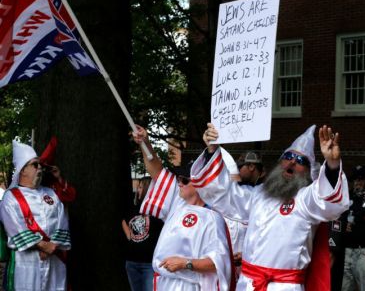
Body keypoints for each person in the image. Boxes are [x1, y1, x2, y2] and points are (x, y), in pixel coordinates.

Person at [191, 123, 349, 290]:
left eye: (300, 160)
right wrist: (211, 151)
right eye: (288, 157)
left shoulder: (306, 199)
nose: (292, 162)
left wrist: (332, 164)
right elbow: (222, 193)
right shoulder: (258, 194)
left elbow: (328, 200)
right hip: (248, 284)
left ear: (309, 172)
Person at [132, 125, 234, 290]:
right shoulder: (177, 203)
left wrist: (185, 263)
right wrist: (145, 143)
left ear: (201, 186)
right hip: (163, 283)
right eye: (179, 178)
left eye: (185, 180)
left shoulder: (212, 218)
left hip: (188, 286)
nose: (179, 182)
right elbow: (157, 172)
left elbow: (218, 263)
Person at [0, 140, 70, 291]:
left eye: (40, 165)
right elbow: (15, 228)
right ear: (22, 170)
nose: (40, 168)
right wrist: (44, 246)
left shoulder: (51, 193)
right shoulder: (10, 197)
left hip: (54, 260)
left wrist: (54, 245)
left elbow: (62, 219)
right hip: (26, 261)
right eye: (35, 165)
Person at [340, 165, 365, 291]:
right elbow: (338, 217)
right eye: (355, 179)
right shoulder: (348, 196)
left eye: (360, 179)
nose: (357, 182)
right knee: (345, 287)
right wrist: (343, 226)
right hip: (347, 252)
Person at [122, 177, 164, 291]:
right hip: (131, 262)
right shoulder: (134, 208)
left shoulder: (157, 211)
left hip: (149, 264)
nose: (137, 189)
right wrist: (127, 232)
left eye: (140, 187)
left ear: (148, 189)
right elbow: (124, 220)